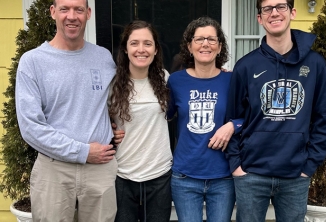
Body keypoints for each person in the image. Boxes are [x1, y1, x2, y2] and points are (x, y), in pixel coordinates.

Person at [225, 0, 326, 221]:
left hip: (295, 175)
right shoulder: (246, 66)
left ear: (292, 12)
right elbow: (233, 117)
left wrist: (309, 165)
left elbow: (322, 118)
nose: (274, 13)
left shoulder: (315, 64)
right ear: (259, 18)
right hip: (251, 173)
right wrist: (237, 166)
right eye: (267, 9)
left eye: (281, 6)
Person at [15, 0, 118, 221]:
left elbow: (111, 103)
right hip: (54, 170)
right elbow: (31, 128)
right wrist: (83, 152)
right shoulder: (33, 62)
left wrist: (114, 127)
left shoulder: (103, 58)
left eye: (79, 9)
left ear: (88, 13)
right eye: (64, 9)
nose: (72, 16)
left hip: (100, 169)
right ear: (53, 12)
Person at [167, 17, 240, 222]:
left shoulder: (232, 80)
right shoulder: (175, 81)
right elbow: (162, 116)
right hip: (185, 176)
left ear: (219, 47)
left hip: (223, 176)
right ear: (189, 46)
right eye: (199, 39)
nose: (205, 44)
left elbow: (249, 116)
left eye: (211, 39)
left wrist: (232, 125)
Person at [109, 20, 173, 222]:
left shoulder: (166, 79)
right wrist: (107, 131)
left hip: (159, 175)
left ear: (155, 50)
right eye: (134, 43)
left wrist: (219, 72)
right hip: (123, 175)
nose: (141, 49)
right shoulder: (112, 83)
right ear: (126, 49)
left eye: (147, 43)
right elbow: (94, 119)